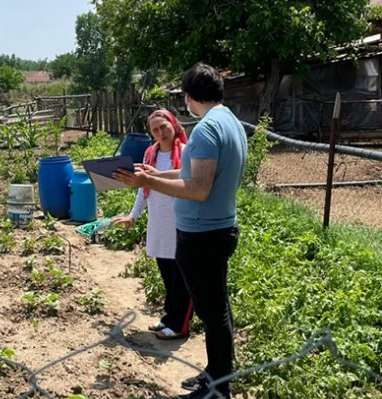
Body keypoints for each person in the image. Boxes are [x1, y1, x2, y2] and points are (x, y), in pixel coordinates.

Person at [114, 62, 247, 399]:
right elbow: (188, 173)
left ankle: (217, 388)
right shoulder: (230, 122)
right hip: (219, 227)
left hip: (202, 234)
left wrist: (148, 181)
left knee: (213, 315)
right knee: (217, 310)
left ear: (187, 97)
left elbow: (197, 188)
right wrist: (152, 176)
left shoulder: (204, 130)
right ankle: (215, 373)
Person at [112, 109, 193, 341]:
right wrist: (133, 215)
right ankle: (170, 318)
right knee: (168, 275)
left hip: (181, 224)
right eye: (155, 130)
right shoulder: (151, 155)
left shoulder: (186, 153)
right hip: (159, 223)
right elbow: (143, 190)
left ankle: (181, 325)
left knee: (182, 278)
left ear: (174, 125)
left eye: (164, 126)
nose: (160, 132)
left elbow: (191, 181)